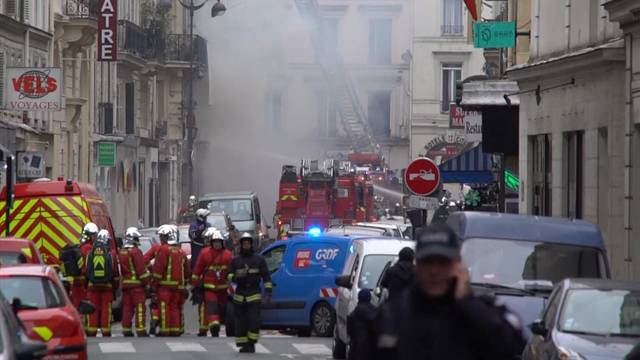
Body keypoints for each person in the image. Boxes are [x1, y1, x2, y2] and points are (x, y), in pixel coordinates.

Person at [369, 223, 526, 360]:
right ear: (417, 266)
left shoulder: (483, 311)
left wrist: (467, 301)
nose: (435, 271)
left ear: (458, 265)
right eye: (428, 262)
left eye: (443, 262)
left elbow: (512, 346)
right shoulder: (393, 314)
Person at [227, 233, 272, 353]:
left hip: (254, 294)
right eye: (244, 243)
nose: (246, 245)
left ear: (251, 244)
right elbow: (229, 275)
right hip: (240, 294)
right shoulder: (235, 260)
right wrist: (236, 277)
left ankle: (251, 343)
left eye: (248, 243)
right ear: (241, 244)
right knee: (240, 322)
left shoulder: (259, 259)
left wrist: (267, 293)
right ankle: (243, 344)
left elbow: (266, 277)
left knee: (253, 321)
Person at [192, 227, 233, 337]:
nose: (216, 244)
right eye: (215, 242)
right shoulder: (205, 253)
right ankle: (214, 326)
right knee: (212, 305)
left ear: (222, 243)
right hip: (209, 287)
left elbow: (232, 269)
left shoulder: (228, 255)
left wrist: (231, 283)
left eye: (218, 242)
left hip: (223, 288)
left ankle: (217, 322)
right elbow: (198, 268)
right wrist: (195, 283)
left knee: (222, 307)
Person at [152, 225, 189, 337]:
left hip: (165, 286)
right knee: (174, 308)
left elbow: (159, 269)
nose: (160, 239)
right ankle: (175, 329)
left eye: (162, 237)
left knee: (164, 307)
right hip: (178, 287)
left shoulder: (163, 250)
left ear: (165, 237)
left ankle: (165, 330)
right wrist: (185, 284)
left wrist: (154, 284)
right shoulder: (181, 251)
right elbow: (187, 270)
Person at [86, 229, 120, 337]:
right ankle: (106, 331)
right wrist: (115, 287)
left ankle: (92, 331)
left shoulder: (90, 252)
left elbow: (87, 270)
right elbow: (115, 273)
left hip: (93, 287)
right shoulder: (111, 254)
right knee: (106, 309)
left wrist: (88, 284)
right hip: (107, 287)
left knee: (93, 309)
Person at [119, 227, 150, 337]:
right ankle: (140, 329)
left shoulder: (122, 251)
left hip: (126, 285)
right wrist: (148, 283)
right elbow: (141, 270)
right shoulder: (136, 251)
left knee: (127, 307)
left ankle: (126, 329)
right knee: (140, 307)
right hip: (137, 286)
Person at [143, 225, 170, 335]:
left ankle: (154, 319)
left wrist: (151, 270)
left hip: (156, 280)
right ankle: (165, 325)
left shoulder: (156, 248)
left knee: (155, 302)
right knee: (169, 306)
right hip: (170, 282)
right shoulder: (176, 250)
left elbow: (144, 259)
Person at [70, 223, 99, 312]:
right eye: (94, 235)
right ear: (91, 235)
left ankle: (78, 322)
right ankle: (84, 322)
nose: (96, 237)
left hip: (76, 279)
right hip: (84, 281)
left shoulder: (81, 246)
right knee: (85, 304)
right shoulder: (89, 248)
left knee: (76, 303)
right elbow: (89, 265)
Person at [347, 289, 377, 360]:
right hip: (372, 350)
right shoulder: (375, 311)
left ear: (359, 298)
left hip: (356, 350)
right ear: (369, 298)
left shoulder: (353, 314)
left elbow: (349, 333)